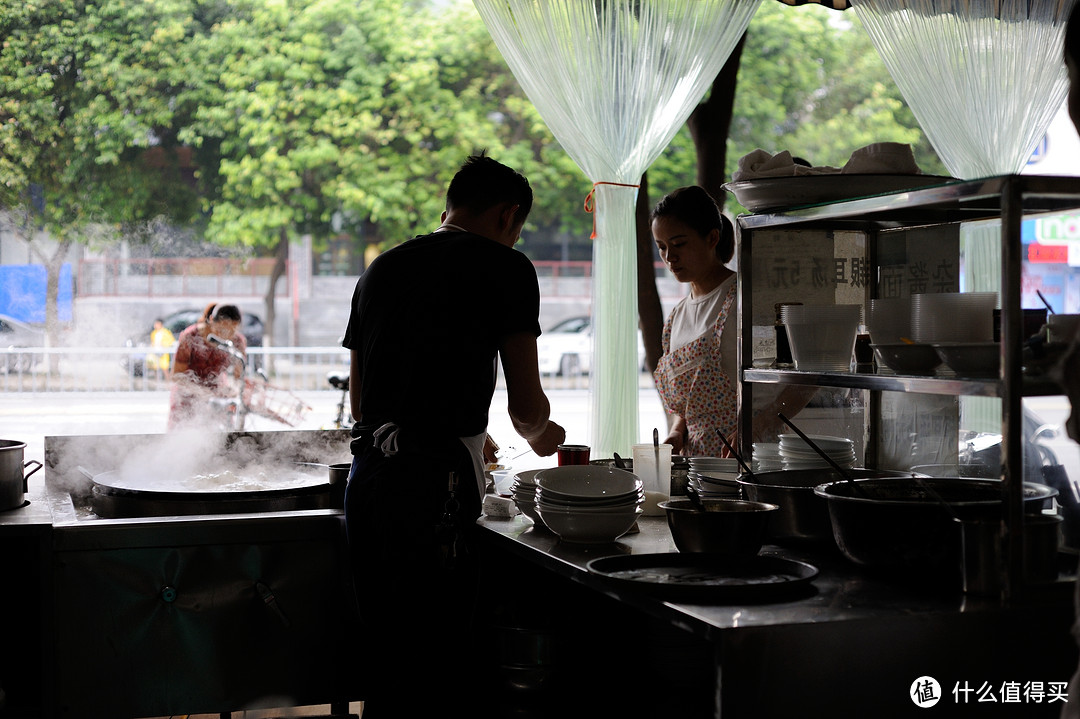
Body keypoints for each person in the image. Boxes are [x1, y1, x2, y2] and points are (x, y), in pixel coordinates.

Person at [341, 152, 566, 716]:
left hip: (368, 480)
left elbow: (363, 402)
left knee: (387, 656)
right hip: (432, 488)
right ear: (509, 214)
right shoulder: (506, 267)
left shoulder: (380, 268)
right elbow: (526, 410)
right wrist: (545, 436)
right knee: (439, 658)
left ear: (450, 207)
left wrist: (462, 430)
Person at [651, 186, 739, 457]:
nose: (669, 257)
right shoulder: (677, 316)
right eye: (662, 247)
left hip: (740, 458)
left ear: (712, 238)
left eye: (679, 244)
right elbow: (688, 405)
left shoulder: (740, 299)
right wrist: (678, 429)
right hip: (695, 463)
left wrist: (754, 428)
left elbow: (776, 389)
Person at [167, 303, 247, 429]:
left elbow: (239, 376)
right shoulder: (190, 336)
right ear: (211, 321)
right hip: (187, 396)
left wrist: (234, 389)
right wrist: (202, 392)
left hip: (216, 396)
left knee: (219, 440)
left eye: (232, 330)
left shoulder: (237, 341)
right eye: (222, 329)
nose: (226, 335)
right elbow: (176, 375)